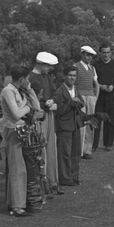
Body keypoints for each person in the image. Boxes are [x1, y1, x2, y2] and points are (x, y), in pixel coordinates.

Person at [0, 65, 43, 217]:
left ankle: (17, 203)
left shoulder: (21, 90)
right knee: (17, 169)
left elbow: (37, 107)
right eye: (27, 78)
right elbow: (16, 114)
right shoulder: (8, 91)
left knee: (22, 169)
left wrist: (30, 90)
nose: (28, 80)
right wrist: (27, 108)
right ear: (21, 78)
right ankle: (17, 206)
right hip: (13, 131)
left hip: (23, 132)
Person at [29, 51, 63, 196]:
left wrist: (53, 101)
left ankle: (52, 182)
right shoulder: (31, 78)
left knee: (51, 148)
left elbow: (55, 92)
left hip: (49, 114)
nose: (50, 69)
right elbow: (32, 98)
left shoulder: (46, 77)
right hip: (39, 116)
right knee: (41, 149)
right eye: (48, 66)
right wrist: (45, 103)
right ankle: (43, 185)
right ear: (41, 64)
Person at [54, 65, 86, 187]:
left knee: (75, 152)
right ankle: (65, 178)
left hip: (75, 124)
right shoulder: (60, 91)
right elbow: (59, 110)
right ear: (65, 76)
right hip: (64, 125)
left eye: (74, 75)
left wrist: (79, 102)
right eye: (70, 75)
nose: (72, 78)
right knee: (65, 153)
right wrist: (72, 103)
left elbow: (81, 103)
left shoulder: (76, 89)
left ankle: (74, 176)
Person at [92, 42, 114, 152]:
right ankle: (93, 145)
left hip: (111, 96)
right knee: (96, 120)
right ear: (100, 53)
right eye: (104, 52)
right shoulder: (95, 65)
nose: (106, 55)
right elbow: (92, 81)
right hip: (98, 95)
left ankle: (108, 144)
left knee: (110, 120)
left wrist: (113, 86)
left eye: (108, 52)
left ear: (111, 53)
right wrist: (101, 87)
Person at [74, 45, 100, 159]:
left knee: (90, 123)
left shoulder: (92, 68)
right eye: (87, 55)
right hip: (80, 97)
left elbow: (96, 84)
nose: (89, 58)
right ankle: (78, 150)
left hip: (90, 97)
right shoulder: (76, 66)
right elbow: (73, 84)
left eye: (91, 56)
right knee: (80, 124)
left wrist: (95, 97)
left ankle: (87, 150)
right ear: (82, 54)